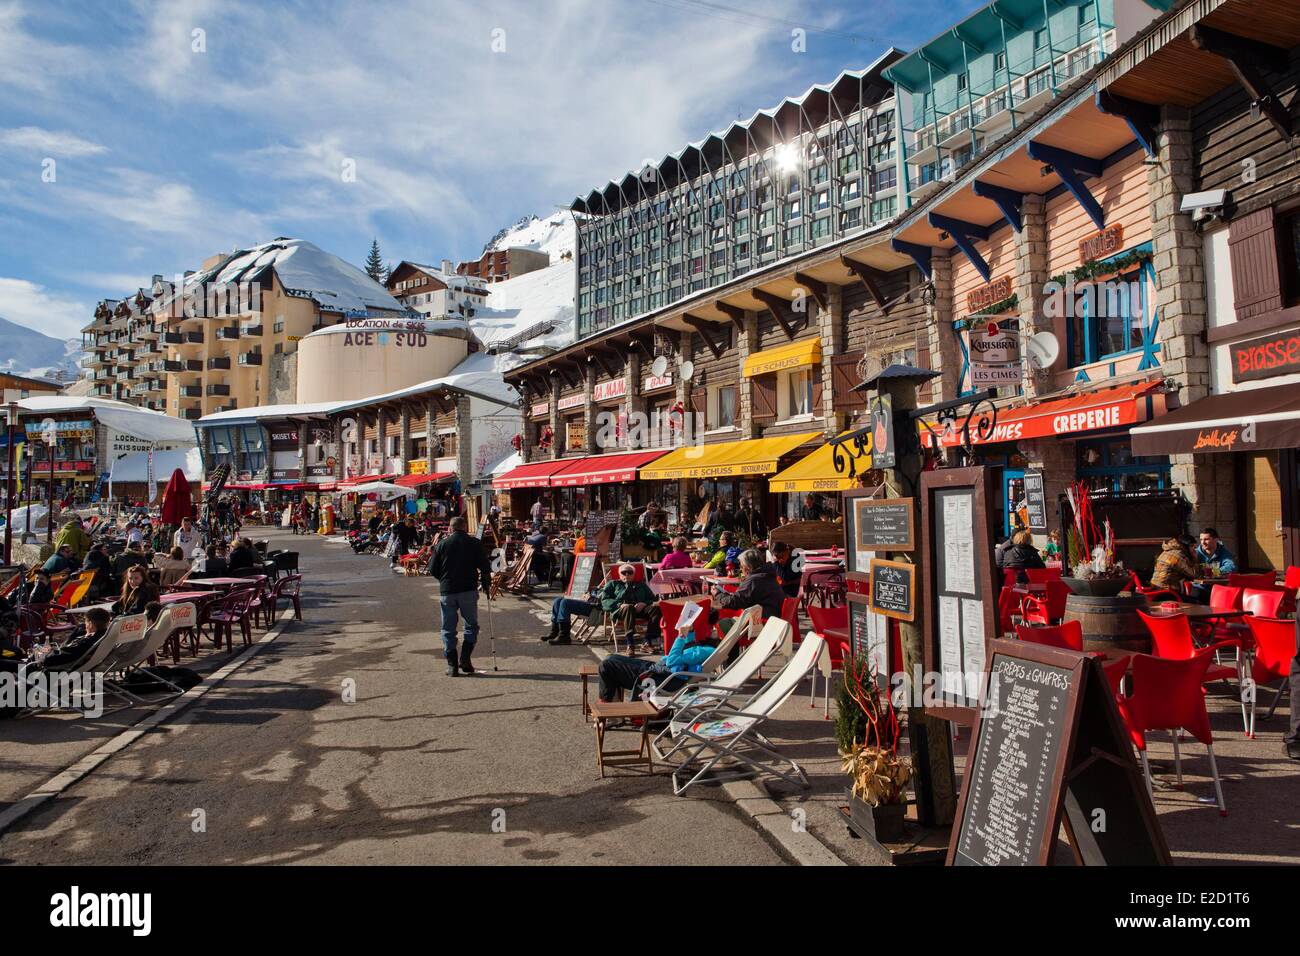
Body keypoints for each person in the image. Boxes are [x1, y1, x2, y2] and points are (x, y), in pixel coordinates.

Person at [426, 516, 493, 676]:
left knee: (448, 628)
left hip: (448, 590)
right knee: (470, 625)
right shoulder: (474, 543)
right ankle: (465, 659)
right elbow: (485, 566)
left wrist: (443, 579)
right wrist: (485, 584)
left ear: (450, 528)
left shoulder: (442, 544)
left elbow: (432, 568)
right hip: (468, 589)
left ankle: (452, 665)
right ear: (465, 527)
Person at [597, 616, 719, 703]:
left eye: (716, 629)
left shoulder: (707, 651)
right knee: (610, 658)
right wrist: (690, 632)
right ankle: (611, 703)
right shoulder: (706, 648)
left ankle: (607, 707)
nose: (713, 629)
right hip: (664, 672)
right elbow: (690, 650)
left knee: (607, 665)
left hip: (665, 678)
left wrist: (681, 636)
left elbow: (673, 661)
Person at [712, 549, 785, 622]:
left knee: (722, 622)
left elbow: (735, 602)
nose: (740, 569)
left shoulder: (754, 580)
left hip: (761, 621)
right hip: (774, 617)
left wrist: (718, 594)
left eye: (741, 566)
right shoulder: (768, 575)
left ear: (747, 567)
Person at [600, 563, 661, 651]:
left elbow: (653, 599)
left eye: (630, 572)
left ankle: (647, 641)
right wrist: (620, 605)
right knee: (628, 608)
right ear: (619, 575)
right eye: (624, 572)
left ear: (634, 574)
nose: (627, 574)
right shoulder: (613, 584)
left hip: (640, 610)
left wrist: (644, 603)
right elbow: (604, 600)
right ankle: (630, 643)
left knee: (656, 609)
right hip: (621, 611)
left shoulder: (641, 585)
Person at [41, 606, 112, 670]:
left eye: (85, 622)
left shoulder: (84, 643)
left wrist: (45, 654)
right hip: (91, 665)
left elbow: (49, 659)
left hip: (63, 670)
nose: (85, 625)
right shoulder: (104, 636)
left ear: (90, 624)